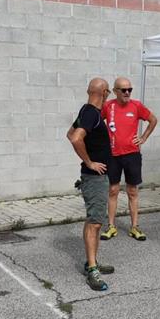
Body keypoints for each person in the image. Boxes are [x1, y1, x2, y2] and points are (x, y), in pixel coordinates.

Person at [67, 78, 114, 291]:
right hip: (94, 178)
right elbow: (76, 138)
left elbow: (70, 133)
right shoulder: (93, 114)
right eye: (109, 92)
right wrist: (89, 162)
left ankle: (91, 261)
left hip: (95, 178)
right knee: (95, 223)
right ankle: (92, 270)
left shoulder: (86, 111)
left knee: (94, 220)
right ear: (104, 92)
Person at [101, 76, 157, 241]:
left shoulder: (136, 106)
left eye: (129, 90)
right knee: (113, 190)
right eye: (123, 90)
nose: (127, 93)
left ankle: (134, 227)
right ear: (115, 91)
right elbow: (96, 122)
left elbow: (153, 120)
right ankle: (111, 226)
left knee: (132, 191)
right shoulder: (108, 106)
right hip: (113, 155)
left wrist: (143, 137)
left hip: (132, 155)